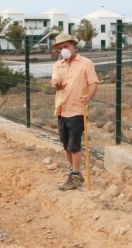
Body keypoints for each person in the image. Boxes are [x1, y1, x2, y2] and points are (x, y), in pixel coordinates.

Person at [50, 33, 99, 191]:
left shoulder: (86, 63)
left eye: (66, 46)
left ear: (73, 45)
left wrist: (88, 97)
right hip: (62, 109)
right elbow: (55, 81)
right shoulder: (58, 65)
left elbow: (93, 83)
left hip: (77, 110)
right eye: (61, 47)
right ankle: (75, 173)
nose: (64, 49)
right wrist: (56, 84)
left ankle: (75, 175)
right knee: (66, 146)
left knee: (74, 145)